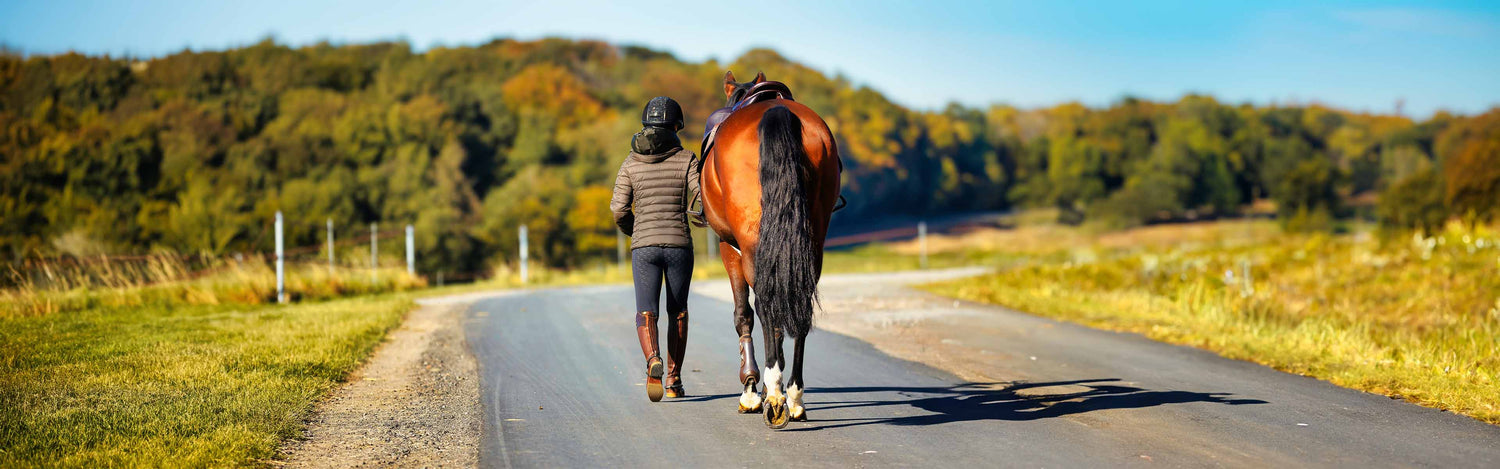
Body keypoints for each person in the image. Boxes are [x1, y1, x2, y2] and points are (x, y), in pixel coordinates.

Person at [611, 96, 700, 402]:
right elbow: (702, 199)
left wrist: (636, 231)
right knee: (678, 312)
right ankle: (674, 381)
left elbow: (619, 209)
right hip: (679, 245)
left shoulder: (629, 163)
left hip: (644, 247)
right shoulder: (688, 158)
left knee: (646, 312)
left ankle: (653, 362)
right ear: (676, 127)